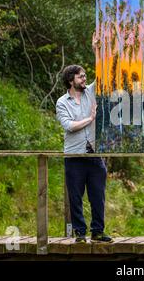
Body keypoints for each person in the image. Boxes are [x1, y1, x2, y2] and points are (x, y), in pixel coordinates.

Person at [56, 64, 112, 243]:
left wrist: (96, 49)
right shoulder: (62, 102)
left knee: (98, 195)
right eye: (81, 77)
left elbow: (103, 74)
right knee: (75, 196)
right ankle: (80, 233)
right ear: (71, 80)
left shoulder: (90, 92)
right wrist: (90, 119)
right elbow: (69, 126)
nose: (84, 79)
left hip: (94, 155)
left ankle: (98, 231)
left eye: (85, 76)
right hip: (74, 156)